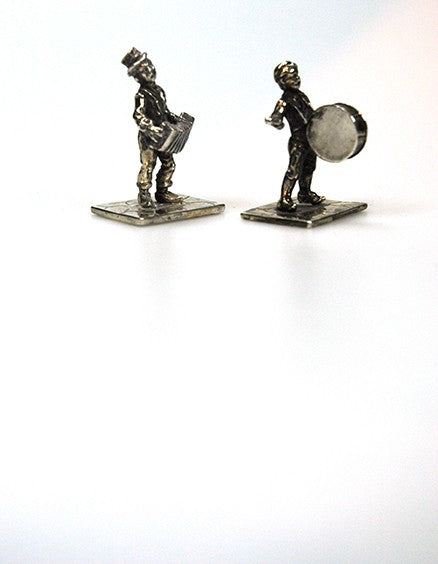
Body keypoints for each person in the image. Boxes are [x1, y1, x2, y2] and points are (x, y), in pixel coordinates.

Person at [122, 48, 183, 207]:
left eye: (149, 65)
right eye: (143, 70)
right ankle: (144, 194)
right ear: (137, 77)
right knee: (148, 165)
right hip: (148, 138)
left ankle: (163, 191)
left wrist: (172, 117)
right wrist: (150, 128)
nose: (149, 70)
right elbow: (138, 116)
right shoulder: (142, 95)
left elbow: (164, 111)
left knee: (168, 163)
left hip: (164, 135)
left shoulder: (159, 91)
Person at [266, 61, 325, 212]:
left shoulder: (301, 96)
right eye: (291, 77)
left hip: (310, 139)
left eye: (296, 75)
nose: (296, 79)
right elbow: (277, 117)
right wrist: (275, 121)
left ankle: (304, 193)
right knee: (294, 170)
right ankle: (284, 199)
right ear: (282, 82)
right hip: (298, 142)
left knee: (309, 168)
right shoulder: (284, 102)